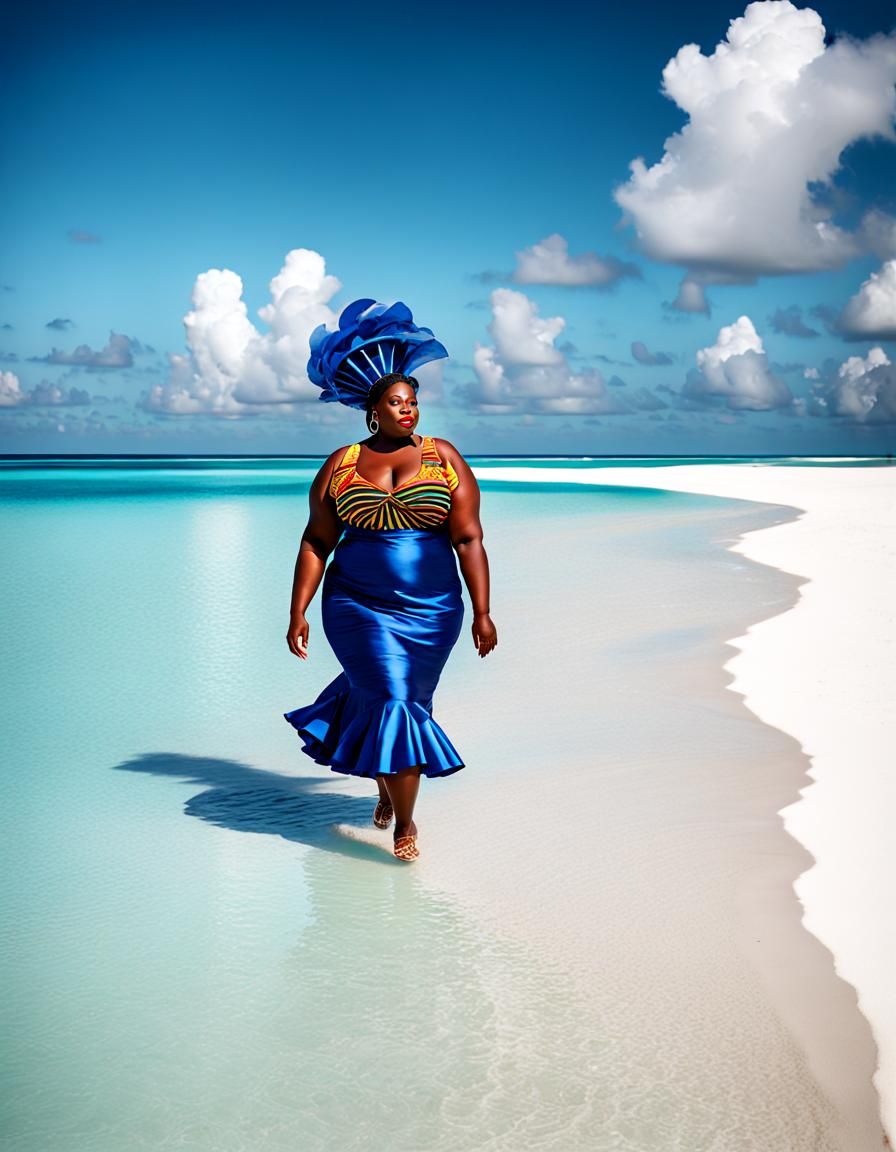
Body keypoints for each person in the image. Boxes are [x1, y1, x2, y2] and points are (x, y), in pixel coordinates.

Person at [284, 299, 497, 862]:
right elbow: (316, 542)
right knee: (392, 697)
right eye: (398, 403)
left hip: (432, 609)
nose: (409, 410)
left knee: (402, 701)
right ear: (373, 411)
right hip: (355, 606)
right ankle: (406, 823)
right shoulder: (340, 464)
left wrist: (482, 611)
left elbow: (469, 538)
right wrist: (298, 609)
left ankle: (388, 792)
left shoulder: (443, 457)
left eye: (414, 401)